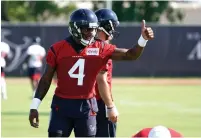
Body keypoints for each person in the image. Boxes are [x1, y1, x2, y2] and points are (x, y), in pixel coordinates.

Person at [29, 8, 154, 137]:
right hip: (62, 105)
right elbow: (46, 79)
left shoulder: (100, 47)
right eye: (86, 29)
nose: (91, 33)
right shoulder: (57, 49)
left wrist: (142, 40)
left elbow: (130, 55)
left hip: (87, 106)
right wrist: (34, 105)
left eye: (93, 29)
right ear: (75, 28)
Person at [94, 8, 120, 137]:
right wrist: (110, 106)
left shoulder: (85, 46)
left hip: (84, 103)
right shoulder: (102, 49)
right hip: (100, 102)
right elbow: (101, 80)